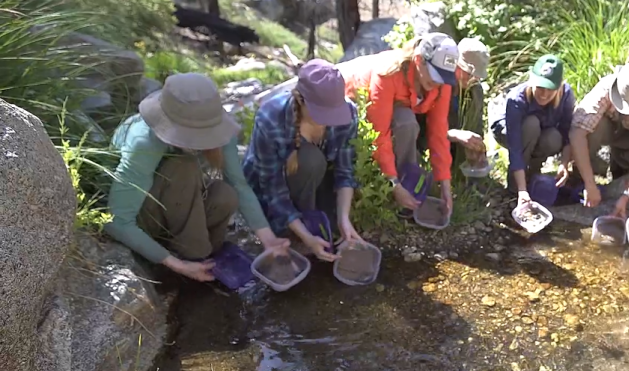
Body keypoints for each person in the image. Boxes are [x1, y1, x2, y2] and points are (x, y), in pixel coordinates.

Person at [105, 73, 289, 283]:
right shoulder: (143, 141)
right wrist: (177, 264)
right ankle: (192, 254)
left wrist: (269, 239)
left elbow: (239, 185)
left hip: (175, 201)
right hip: (144, 214)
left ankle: (203, 254)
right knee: (183, 166)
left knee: (225, 194)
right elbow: (117, 221)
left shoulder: (219, 130)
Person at [242, 59, 362, 263]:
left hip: (315, 180)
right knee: (312, 160)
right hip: (273, 186)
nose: (328, 120)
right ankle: (294, 226)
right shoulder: (271, 119)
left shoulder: (348, 114)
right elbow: (272, 188)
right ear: (300, 99)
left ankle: (313, 219)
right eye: (322, 114)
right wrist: (305, 236)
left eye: (333, 113)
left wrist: (344, 219)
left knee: (333, 230)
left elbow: (345, 171)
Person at [339, 32, 457, 215]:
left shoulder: (441, 81)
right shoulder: (387, 73)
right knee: (406, 122)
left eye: (442, 77)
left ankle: (407, 186)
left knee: (406, 121)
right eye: (435, 75)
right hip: (348, 95)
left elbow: (439, 130)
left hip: (393, 106)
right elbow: (379, 134)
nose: (437, 82)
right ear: (419, 60)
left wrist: (445, 184)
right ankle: (395, 189)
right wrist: (393, 184)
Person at [569, 62, 629, 218]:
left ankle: (622, 177)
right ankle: (577, 177)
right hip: (610, 129)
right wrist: (590, 183)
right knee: (591, 129)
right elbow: (577, 133)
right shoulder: (607, 85)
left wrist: (627, 195)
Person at [491, 55, 576, 206]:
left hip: (541, 132)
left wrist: (564, 164)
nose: (544, 94)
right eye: (540, 87)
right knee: (531, 124)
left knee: (554, 138)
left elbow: (566, 132)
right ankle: (515, 188)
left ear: (559, 87)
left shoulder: (566, 95)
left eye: (550, 89)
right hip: (507, 131)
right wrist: (522, 191)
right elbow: (515, 147)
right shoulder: (516, 99)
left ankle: (532, 174)